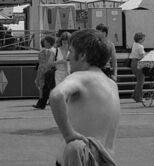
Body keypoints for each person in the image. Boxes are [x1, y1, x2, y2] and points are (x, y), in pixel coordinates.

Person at [49, 29, 119, 166]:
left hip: (80, 159)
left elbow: (56, 96)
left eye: (71, 51)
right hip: (104, 159)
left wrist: (68, 134)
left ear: (82, 56)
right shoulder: (112, 84)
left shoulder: (81, 76)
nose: (68, 57)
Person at [33, 35, 56, 109]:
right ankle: (41, 102)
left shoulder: (53, 51)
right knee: (42, 87)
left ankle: (42, 103)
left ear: (49, 43)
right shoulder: (43, 51)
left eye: (45, 41)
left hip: (48, 71)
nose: (44, 43)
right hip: (42, 71)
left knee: (46, 87)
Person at [129, 32, 146, 103]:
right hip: (138, 63)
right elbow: (142, 56)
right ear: (140, 39)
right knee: (141, 81)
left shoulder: (134, 44)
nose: (144, 40)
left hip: (133, 63)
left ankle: (135, 95)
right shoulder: (140, 46)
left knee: (139, 80)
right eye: (143, 38)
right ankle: (138, 98)